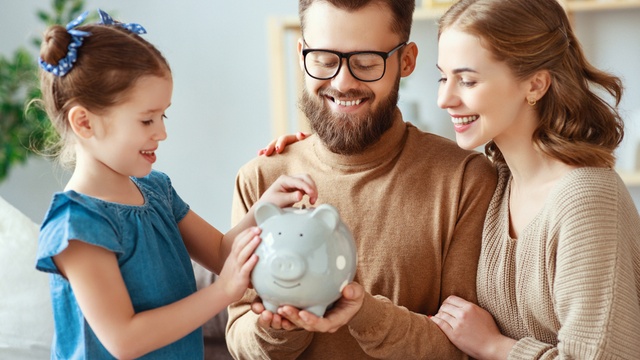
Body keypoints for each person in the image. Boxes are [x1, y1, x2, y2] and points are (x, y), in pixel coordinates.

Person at [34, 10, 317, 359]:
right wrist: (225, 291)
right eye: (146, 119)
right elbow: (124, 340)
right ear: (84, 123)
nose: (162, 133)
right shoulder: (76, 226)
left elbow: (219, 253)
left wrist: (266, 209)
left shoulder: (156, 190)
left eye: (163, 115)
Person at [225, 0, 497, 358]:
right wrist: (278, 326)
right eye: (323, 60)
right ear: (301, 53)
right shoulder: (262, 179)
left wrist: (365, 313)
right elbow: (239, 333)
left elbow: (463, 348)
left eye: (366, 63)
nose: (342, 82)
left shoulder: (464, 180)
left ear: (407, 61)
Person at [429, 0, 640, 359]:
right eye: (442, 77)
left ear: (536, 85)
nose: (444, 98)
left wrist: (493, 346)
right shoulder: (497, 182)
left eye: (467, 80)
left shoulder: (586, 199)